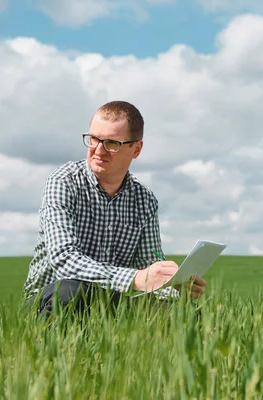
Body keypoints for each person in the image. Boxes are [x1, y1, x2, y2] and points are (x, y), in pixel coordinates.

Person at [23, 100, 206, 316]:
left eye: (112, 143)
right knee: (71, 291)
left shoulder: (144, 200)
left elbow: (149, 263)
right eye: (93, 140)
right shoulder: (63, 182)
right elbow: (64, 260)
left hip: (109, 299)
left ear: (136, 149)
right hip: (50, 298)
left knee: (185, 314)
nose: (98, 150)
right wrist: (135, 279)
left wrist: (175, 287)